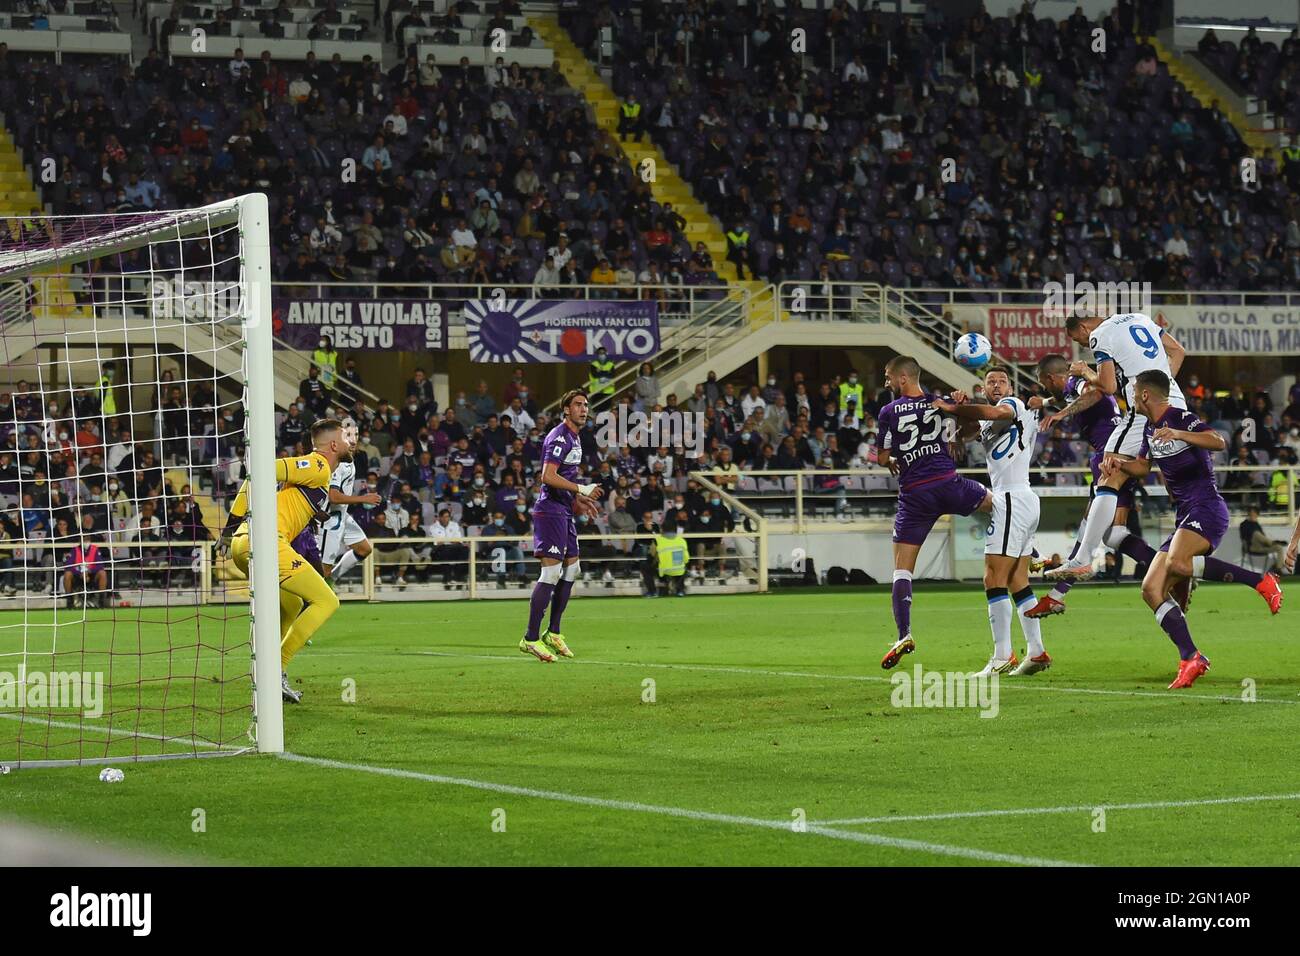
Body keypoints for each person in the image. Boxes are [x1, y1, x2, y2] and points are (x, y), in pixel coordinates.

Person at [1108, 371, 1282, 689]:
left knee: (1176, 564)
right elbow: (1143, 467)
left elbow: (1219, 441)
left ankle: (1261, 581)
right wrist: (1118, 464)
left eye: (1134, 391)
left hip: (1207, 508)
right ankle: (1191, 657)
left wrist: (1180, 433)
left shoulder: (1180, 417)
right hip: (1185, 515)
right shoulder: (1149, 428)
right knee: (1150, 589)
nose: (1131, 396)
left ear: (1146, 394)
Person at [1049, 310, 1186, 580]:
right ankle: (1183, 565)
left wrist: (1086, 371)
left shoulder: (1101, 335)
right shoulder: (1140, 318)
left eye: (1079, 340)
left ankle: (1082, 559)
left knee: (1107, 471)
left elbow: (1108, 386)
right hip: (1176, 404)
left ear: (1084, 327)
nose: (1083, 345)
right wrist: (1163, 389)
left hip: (1144, 408)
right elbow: (1179, 352)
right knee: (1182, 488)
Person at [876, 355, 993, 670]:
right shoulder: (940, 403)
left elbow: (882, 455)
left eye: (888, 375)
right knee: (1000, 506)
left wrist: (890, 461)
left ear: (902, 379)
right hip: (947, 483)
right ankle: (1033, 553)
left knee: (902, 569)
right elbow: (966, 429)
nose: (885, 380)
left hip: (915, 495)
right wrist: (958, 410)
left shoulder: (888, 412)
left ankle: (904, 635)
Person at [934, 366, 1049, 675]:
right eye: (991, 382)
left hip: (1011, 498)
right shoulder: (986, 419)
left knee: (992, 578)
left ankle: (1002, 655)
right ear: (983, 388)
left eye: (1002, 381)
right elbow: (956, 439)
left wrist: (957, 407)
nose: (997, 385)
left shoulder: (1013, 406)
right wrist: (956, 413)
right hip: (1019, 499)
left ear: (1010, 386)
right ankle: (1036, 652)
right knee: (1017, 581)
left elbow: (993, 412)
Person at [224, 418, 346, 703]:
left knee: (291, 603)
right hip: (265, 541)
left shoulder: (311, 482)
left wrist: (232, 526)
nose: (350, 441)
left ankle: (266, 668)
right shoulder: (317, 466)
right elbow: (262, 469)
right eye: (346, 436)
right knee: (327, 601)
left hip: (244, 542)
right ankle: (274, 670)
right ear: (333, 444)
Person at [1026, 353, 1155, 616]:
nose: (1043, 387)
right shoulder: (1072, 387)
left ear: (1052, 378)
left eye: (1043, 383)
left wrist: (1060, 412)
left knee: (1087, 530)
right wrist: (1047, 401)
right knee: (1114, 535)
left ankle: (1057, 596)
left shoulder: (1077, 382)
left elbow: (1095, 393)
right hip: (1126, 454)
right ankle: (1168, 566)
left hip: (1108, 456)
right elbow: (1071, 394)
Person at [520, 390, 602, 662]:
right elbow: (547, 476)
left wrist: (578, 498)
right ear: (566, 409)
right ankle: (530, 638)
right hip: (550, 511)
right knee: (551, 574)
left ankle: (553, 632)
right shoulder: (559, 437)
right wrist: (580, 487)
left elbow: (562, 477)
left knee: (572, 568)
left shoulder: (575, 437)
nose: (583, 409)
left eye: (586, 405)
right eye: (577, 404)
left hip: (564, 510)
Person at [315, 418, 380, 581]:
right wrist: (363, 498)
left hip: (342, 515)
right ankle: (312, 600)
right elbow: (333, 496)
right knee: (322, 571)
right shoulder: (338, 463)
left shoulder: (349, 459)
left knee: (364, 549)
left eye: (356, 434)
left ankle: (332, 579)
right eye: (348, 434)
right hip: (329, 520)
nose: (353, 439)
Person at [62, 537, 108, 609]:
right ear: (80, 541)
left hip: (92, 576)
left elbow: (100, 565)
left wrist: (89, 571)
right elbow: (68, 566)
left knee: (103, 573)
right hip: (78, 576)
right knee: (67, 574)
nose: (86, 542)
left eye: (87, 539)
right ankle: (69, 601)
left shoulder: (95, 549)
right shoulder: (74, 550)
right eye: (84, 540)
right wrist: (80, 573)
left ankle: (101, 601)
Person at [648, 515, 689, 596]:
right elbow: (686, 559)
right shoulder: (682, 541)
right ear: (676, 529)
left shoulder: (658, 541)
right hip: (679, 571)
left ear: (662, 529)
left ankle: (652, 591)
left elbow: (651, 556)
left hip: (663, 572)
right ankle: (680, 590)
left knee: (645, 565)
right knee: (684, 567)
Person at [1240, 506, 1286, 573]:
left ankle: (1278, 568)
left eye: (1254, 513)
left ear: (1257, 514)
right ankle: (1273, 542)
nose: (1253, 514)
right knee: (1256, 533)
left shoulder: (1257, 525)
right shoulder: (1244, 524)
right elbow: (1244, 537)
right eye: (1251, 513)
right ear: (1249, 513)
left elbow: (1262, 537)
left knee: (1279, 547)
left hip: (1262, 546)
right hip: (1252, 547)